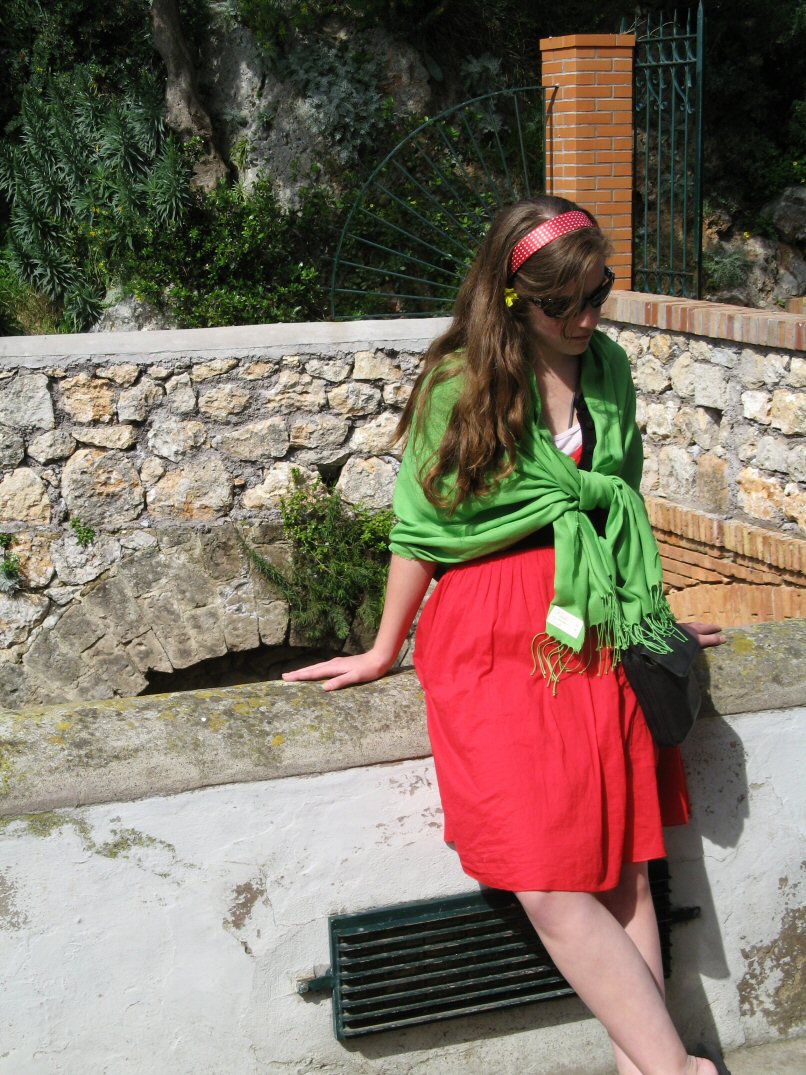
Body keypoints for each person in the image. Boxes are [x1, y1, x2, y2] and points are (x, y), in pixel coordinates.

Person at [284, 196, 727, 1075]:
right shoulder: (459, 382)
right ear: (514, 296)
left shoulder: (608, 367)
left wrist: (649, 615)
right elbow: (419, 528)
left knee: (623, 866)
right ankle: (681, 1069)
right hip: (491, 634)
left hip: (595, 622)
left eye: (597, 293)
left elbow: (618, 505)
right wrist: (383, 647)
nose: (585, 317)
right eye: (564, 303)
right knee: (547, 879)